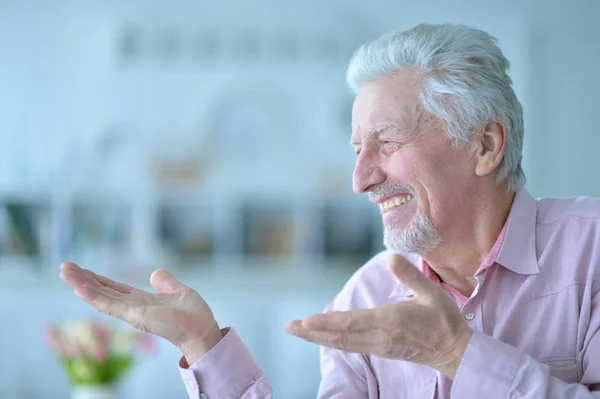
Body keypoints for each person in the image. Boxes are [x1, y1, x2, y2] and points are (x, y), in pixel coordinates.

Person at [59, 23, 600, 398]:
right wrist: (203, 346)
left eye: (386, 143)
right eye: (356, 150)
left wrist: (459, 355)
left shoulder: (591, 251)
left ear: (484, 145)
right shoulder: (365, 296)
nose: (361, 179)